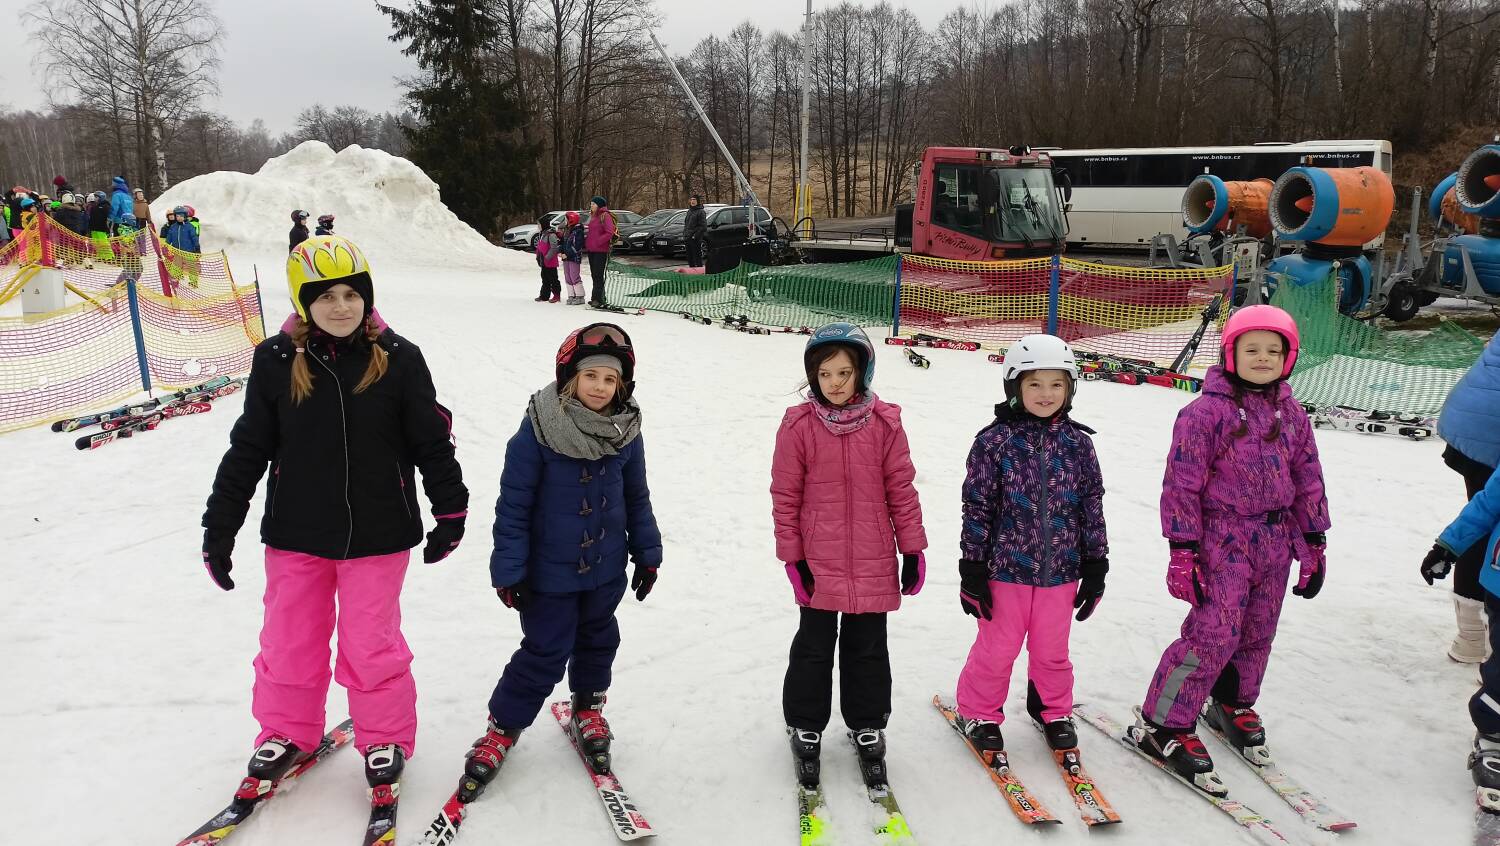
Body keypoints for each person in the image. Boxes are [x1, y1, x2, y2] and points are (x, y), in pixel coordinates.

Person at [200, 233, 468, 808]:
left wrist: (450, 509)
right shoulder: (275, 361)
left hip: (379, 534)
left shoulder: (399, 358)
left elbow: (431, 440)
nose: (341, 306)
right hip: (296, 534)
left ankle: (385, 736)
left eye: (352, 293)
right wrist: (220, 527)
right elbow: (249, 448)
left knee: (372, 643)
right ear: (303, 301)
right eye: (325, 296)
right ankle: (284, 730)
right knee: (289, 639)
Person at [452, 322, 660, 803]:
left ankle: (588, 707)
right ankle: (502, 727)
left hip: (605, 569)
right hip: (548, 574)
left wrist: (647, 553)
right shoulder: (538, 431)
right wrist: (510, 570)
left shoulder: (626, 432)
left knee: (598, 640)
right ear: (570, 377)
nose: (600, 387)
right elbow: (513, 506)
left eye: (610, 379)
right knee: (544, 650)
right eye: (591, 376)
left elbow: (637, 496)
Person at [1134, 304, 1329, 794]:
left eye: (1273, 351)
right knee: (1213, 633)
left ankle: (1231, 700)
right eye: (1251, 349)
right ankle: (1164, 722)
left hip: (1275, 538)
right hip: (1222, 539)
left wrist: (1313, 540)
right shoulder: (1204, 413)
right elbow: (1181, 484)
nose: (1262, 358)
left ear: (1288, 358)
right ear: (1230, 354)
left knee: (1258, 629)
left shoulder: (1293, 414)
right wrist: (1183, 549)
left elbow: (1308, 477)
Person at [771, 323, 927, 788]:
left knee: (868, 649)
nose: (835, 383)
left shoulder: (885, 424)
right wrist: (793, 559)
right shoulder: (798, 425)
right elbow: (785, 496)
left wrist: (912, 548)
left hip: (873, 558)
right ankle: (805, 723)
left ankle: (867, 723)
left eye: (844, 372)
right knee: (813, 647)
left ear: (862, 372)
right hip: (818, 561)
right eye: (824, 374)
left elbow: (901, 489)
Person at [952, 334, 1108, 759]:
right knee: (997, 649)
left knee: (1053, 651)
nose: (1046, 393)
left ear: (1070, 388)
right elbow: (977, 506)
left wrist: (1096, 564)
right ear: (1014, 387)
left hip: (1062, 571)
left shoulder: (1079, 444)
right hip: (1005, 572)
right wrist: (972, 568)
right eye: (1034, 383)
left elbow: (1091, 504)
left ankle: (1052, 710)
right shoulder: (993, 442)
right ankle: (979, 713)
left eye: (1056, 384)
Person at [1431, 337, 1500, 663]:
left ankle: (1472, 637)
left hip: (1472, 416)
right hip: (1487, 430)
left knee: (1484, 520)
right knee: (1485, 523)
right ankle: (1473, 636)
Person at [584, 196, 615, 308]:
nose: (591, 206)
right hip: (591, 249)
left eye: (593, 204)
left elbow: (609, 232)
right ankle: (596, 297)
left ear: (599, 205)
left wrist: (598, 241)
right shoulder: (593, 216)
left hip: (600, 250)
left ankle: (598, 299)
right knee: (594, 275)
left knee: (598, 274)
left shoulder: (605, 216)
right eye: (591, 204)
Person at [560, 211, 586, 305]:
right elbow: (563, 243)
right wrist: (561, 252)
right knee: (567, 276)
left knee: (574, 275)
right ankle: (571, 295)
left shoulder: (578, 231)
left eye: (566, 219)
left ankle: (580, 296)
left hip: (574, 257)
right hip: (565, 257)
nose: (565, 221)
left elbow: (577, 246)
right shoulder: (566, 230)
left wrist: (568, 254)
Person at [534, 221, 563, 303]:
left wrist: (547, 257)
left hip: (550, 261)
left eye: (539, 225)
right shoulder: (542, 234)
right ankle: (544, 296)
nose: (538, 227)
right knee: (545, 279)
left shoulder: (551, 234)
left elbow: (554, 248)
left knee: (553, 279)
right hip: (543, 261)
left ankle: (556, 295)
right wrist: (538, 257)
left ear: (544, 225)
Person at [683, 194, 707, 268]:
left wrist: (695, 235)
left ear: (698, 201)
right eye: (691, 199)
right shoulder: (689, 211)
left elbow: (703, 226)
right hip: (687, 237)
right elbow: (687, 224)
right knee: (689, 257)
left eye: (694, 200)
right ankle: (692, 271)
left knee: (697, 256)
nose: (692, 201)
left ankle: (699, 271)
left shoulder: (701, 212)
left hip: (695, 239)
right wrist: (685, 234)